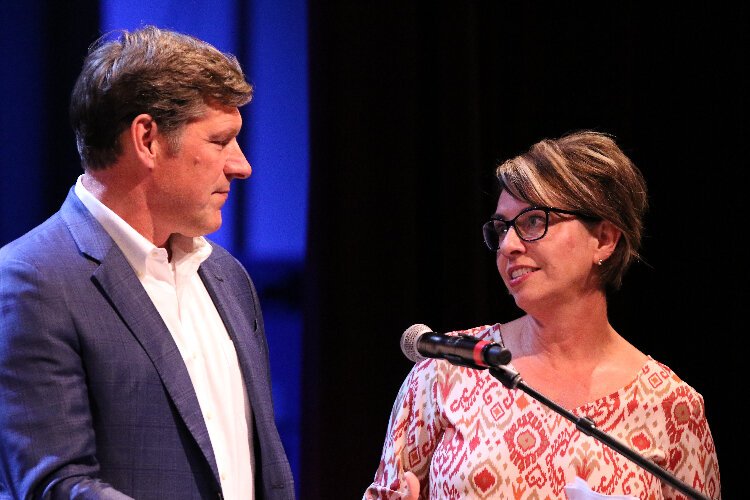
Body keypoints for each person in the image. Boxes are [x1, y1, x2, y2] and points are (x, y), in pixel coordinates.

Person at [0, 26, 294, 499]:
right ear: (147, 139)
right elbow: (55, 486)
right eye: (221, 141)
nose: (242, 166)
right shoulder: (32, 280)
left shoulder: (228, 277)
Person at [363, 131, 721, 499]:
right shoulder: (448, 370)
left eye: (534, 221)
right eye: (502, 228)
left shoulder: (671, 406)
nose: (508, 245)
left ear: (604, 240)